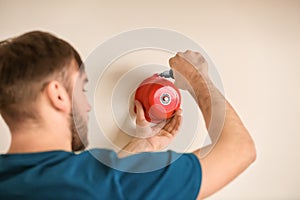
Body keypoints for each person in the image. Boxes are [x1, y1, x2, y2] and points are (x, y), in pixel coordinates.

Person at [0, 31, 256, 199]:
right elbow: (240, 149)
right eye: (82, 88)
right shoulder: (102, 184)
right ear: (57, 95)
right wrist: (197, 78)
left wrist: (144, 145)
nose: (87, 106)